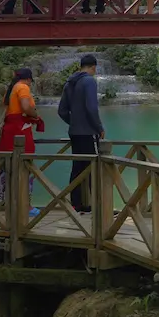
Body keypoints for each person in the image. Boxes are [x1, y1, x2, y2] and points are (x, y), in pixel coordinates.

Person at [57, 53, 104, 215]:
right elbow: (92, 108)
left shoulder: (70, 82)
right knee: (95, 167)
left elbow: (62, 111)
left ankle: (77, 205)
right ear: (93, 67)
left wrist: (74, 122)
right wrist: (99, 128)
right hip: (88, 132)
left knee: (78, 168)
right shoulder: (89, 81)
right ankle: (99, 206)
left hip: (75, 133)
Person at [0, 67, 44, 207]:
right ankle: (24, 205)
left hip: (8, 132)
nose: (30, 84)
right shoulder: (22, 87)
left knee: (8, 166)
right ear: (28, 79)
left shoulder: (11, 89)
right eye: (30, 81)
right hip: (20, 131)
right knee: (25, 164)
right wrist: (36, 115)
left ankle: (4, 200)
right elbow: (25, 107)